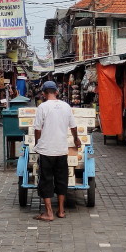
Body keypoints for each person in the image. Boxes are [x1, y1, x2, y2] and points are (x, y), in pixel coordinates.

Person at [33, 80, 80, 221]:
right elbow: (73, 126)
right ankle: (61, 210)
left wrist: (37, 143)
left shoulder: (42, 107)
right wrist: (76, 139)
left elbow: (37, 129)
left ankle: (49, 213)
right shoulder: (66, 106)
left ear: (44, 93)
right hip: (61, 150)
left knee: (46, 180)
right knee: (61, 180)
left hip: (47, 150)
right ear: (57, 92)